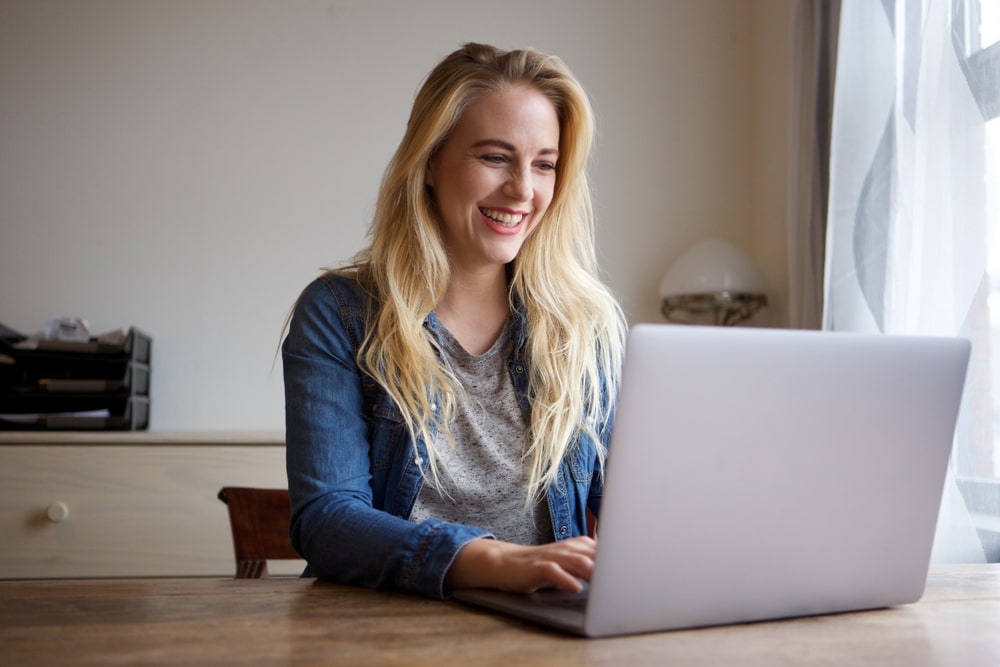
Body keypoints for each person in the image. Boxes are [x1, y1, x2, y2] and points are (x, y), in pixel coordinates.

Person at [282, 42, 626, 600]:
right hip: (379, 632)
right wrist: (495, 560)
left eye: (544, 164)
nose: (523, 189)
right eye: (494, 157)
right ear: (430, 163)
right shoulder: (339, 314)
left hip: (544, 634)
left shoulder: (585, 328)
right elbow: (327, 521)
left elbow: (626, 512)